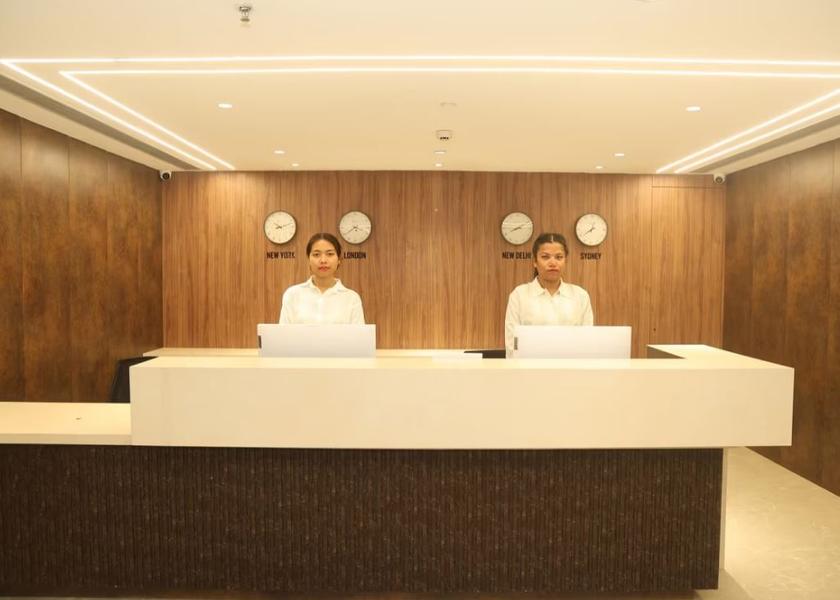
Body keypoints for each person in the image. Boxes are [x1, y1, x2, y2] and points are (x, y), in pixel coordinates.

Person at [504, 232, 593, 357]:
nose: (553, 263)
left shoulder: (580, 296)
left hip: (571, 367)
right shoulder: (519, 295)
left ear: (565, 261)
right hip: (529, 368)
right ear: (535, 261)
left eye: (559, 257)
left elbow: (587, 343)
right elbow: (511, 345)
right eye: (545, 257)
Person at [278, 233, 365, 324]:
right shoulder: (292, 294)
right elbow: (283, 332)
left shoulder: (352, 298)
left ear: (339, 259)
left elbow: (358, 333)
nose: (323, 260)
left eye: (330, 254)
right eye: (316, 254)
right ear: (308, 259)